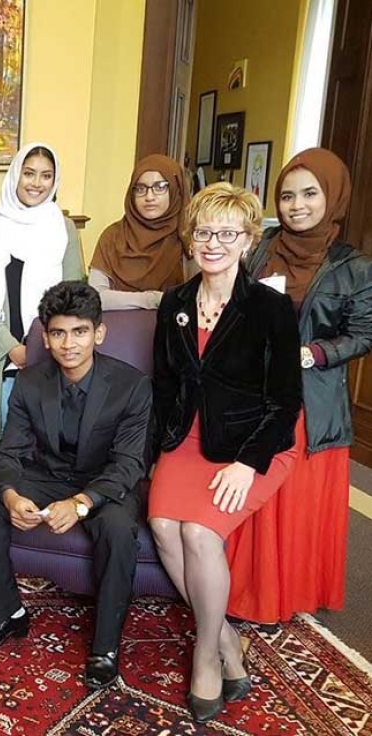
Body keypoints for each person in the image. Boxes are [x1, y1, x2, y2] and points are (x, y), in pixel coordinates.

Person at [148, 182, 302, 723]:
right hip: (187, 438)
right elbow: (164, 389)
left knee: (198, 532)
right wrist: (150, 456)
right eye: (204, 231)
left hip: (254, 443)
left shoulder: (272, 308)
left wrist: (247, 462)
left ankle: (206, 655)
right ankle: (229, 638)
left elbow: (286, 402)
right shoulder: (175, 302)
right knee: (165, 526)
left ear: (247, 240)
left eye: (227, 233)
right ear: (190, 238)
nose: (214, 242)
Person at [0, 282, 151, 692]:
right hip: (46, 476)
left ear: (99, 333)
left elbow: (130, 462)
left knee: (117, 527)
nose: (68, 344)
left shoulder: (131, 385)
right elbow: (9, 452)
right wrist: (10, 495)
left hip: (104, 483)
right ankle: (4, 616)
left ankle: (105, 648)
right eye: (58, 333)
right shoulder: (30, 382)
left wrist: (81, 503)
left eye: (79, 332)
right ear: (46, 337)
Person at [227, 148, 372, 622]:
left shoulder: (353, 266)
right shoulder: (263, 246)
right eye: (287, 195)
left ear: (332, 197)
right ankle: (247, 593)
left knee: (296, 505)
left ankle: (292, 594)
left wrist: (314, 353)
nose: (297, 205)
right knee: (256, 496)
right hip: (259, 391)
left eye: (310, 194)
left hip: (313, 402)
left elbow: (364, 334)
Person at [0, 142, 83, 451]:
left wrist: (42, 348)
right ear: (14, 177)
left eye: (46, 176)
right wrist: (14, 350)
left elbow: (75, 299)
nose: (37, 183)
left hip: (53, 353)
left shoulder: (65, 229)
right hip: (7, 358)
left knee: (52, 449)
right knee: (8, 447)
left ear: (55, 181)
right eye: (29, 173)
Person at [89, 154, 190, 310]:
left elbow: (198, 298)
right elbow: (95, 297)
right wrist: (153, 299)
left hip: (173, 331)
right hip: (115, 331)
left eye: (160, 187)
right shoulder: (113, 236)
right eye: (141, 188)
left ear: (175, 190)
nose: (149, 197)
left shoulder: (188, 237)